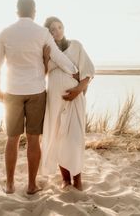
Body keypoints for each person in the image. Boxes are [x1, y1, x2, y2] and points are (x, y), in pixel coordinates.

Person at [0, 0, 79, 194]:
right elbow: (58, 56)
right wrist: (74, 70)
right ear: (34, 12)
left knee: (12, 139)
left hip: (12, 91)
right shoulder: (42, 33)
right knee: (33, 139)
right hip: (36, 91)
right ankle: (31, 185)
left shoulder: (5, 33)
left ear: (17, 12)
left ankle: (10, 184)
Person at [41, 16, 95, 191]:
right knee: (58, 138)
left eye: (59, 27)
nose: (57, 31)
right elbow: (41, 74)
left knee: (74, 139)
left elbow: (88, 73)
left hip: (75, 100)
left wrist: (77, 90)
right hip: (55, 101)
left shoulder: (76, 46)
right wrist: (44, 58)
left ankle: (77, 178)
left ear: (64, 28)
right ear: (48, 33)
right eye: (52, 29)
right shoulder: (47, 49)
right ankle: (65, 179)